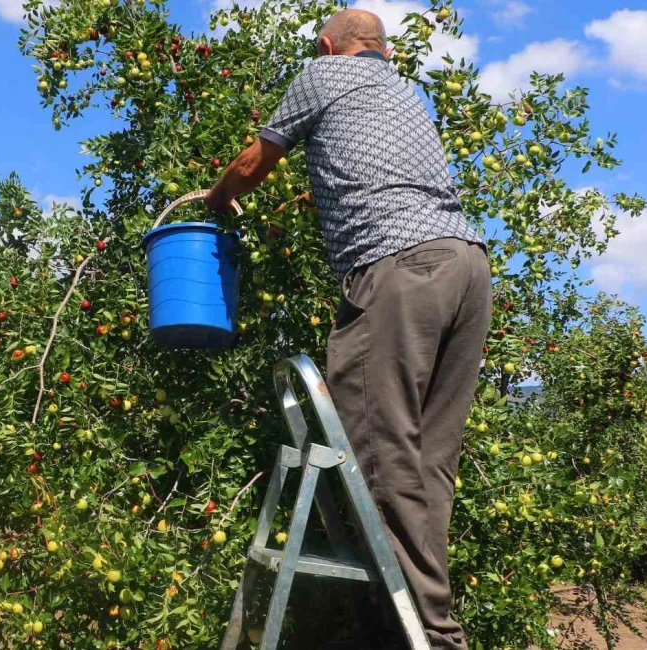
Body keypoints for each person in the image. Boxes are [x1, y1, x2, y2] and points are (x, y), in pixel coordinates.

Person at [205, 9, 491, 650]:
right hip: (467, 269)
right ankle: (406, 622)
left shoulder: (322, 71)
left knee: (377, 457)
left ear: (330, 45)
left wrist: (218, 199)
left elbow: (255, 163)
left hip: (399, 268)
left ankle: (431, 637)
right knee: (428, 464)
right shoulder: (405, 92)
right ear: (383, 50)